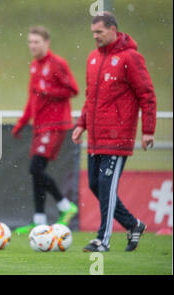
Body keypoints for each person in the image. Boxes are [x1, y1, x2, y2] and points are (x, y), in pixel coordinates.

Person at [72, 12, 156, 252]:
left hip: (117, 138)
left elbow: (147, 95)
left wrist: (148, 130)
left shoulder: (131, 58)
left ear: (113, 30)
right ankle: (133, 225)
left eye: (99, 32)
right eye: (93, 33)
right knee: (96, 186)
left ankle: (103, 239)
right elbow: (91, 98)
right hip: (96, 137)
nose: (95, 37)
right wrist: (81, 124)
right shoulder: (93, 59)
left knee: (107, 188)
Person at [12, 26, 79, 234]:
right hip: (40, 126)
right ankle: (39, 220)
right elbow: (32, 98)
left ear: (46, 43)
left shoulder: (57, 64)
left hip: (56, 124)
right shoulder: (34, 66)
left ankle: (66, 207)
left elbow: (73, 90)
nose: (32, 46)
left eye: (36, 42)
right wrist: (23, 122)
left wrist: (47, 91)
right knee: (36, 173)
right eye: (30, 42)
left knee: (35, 169)